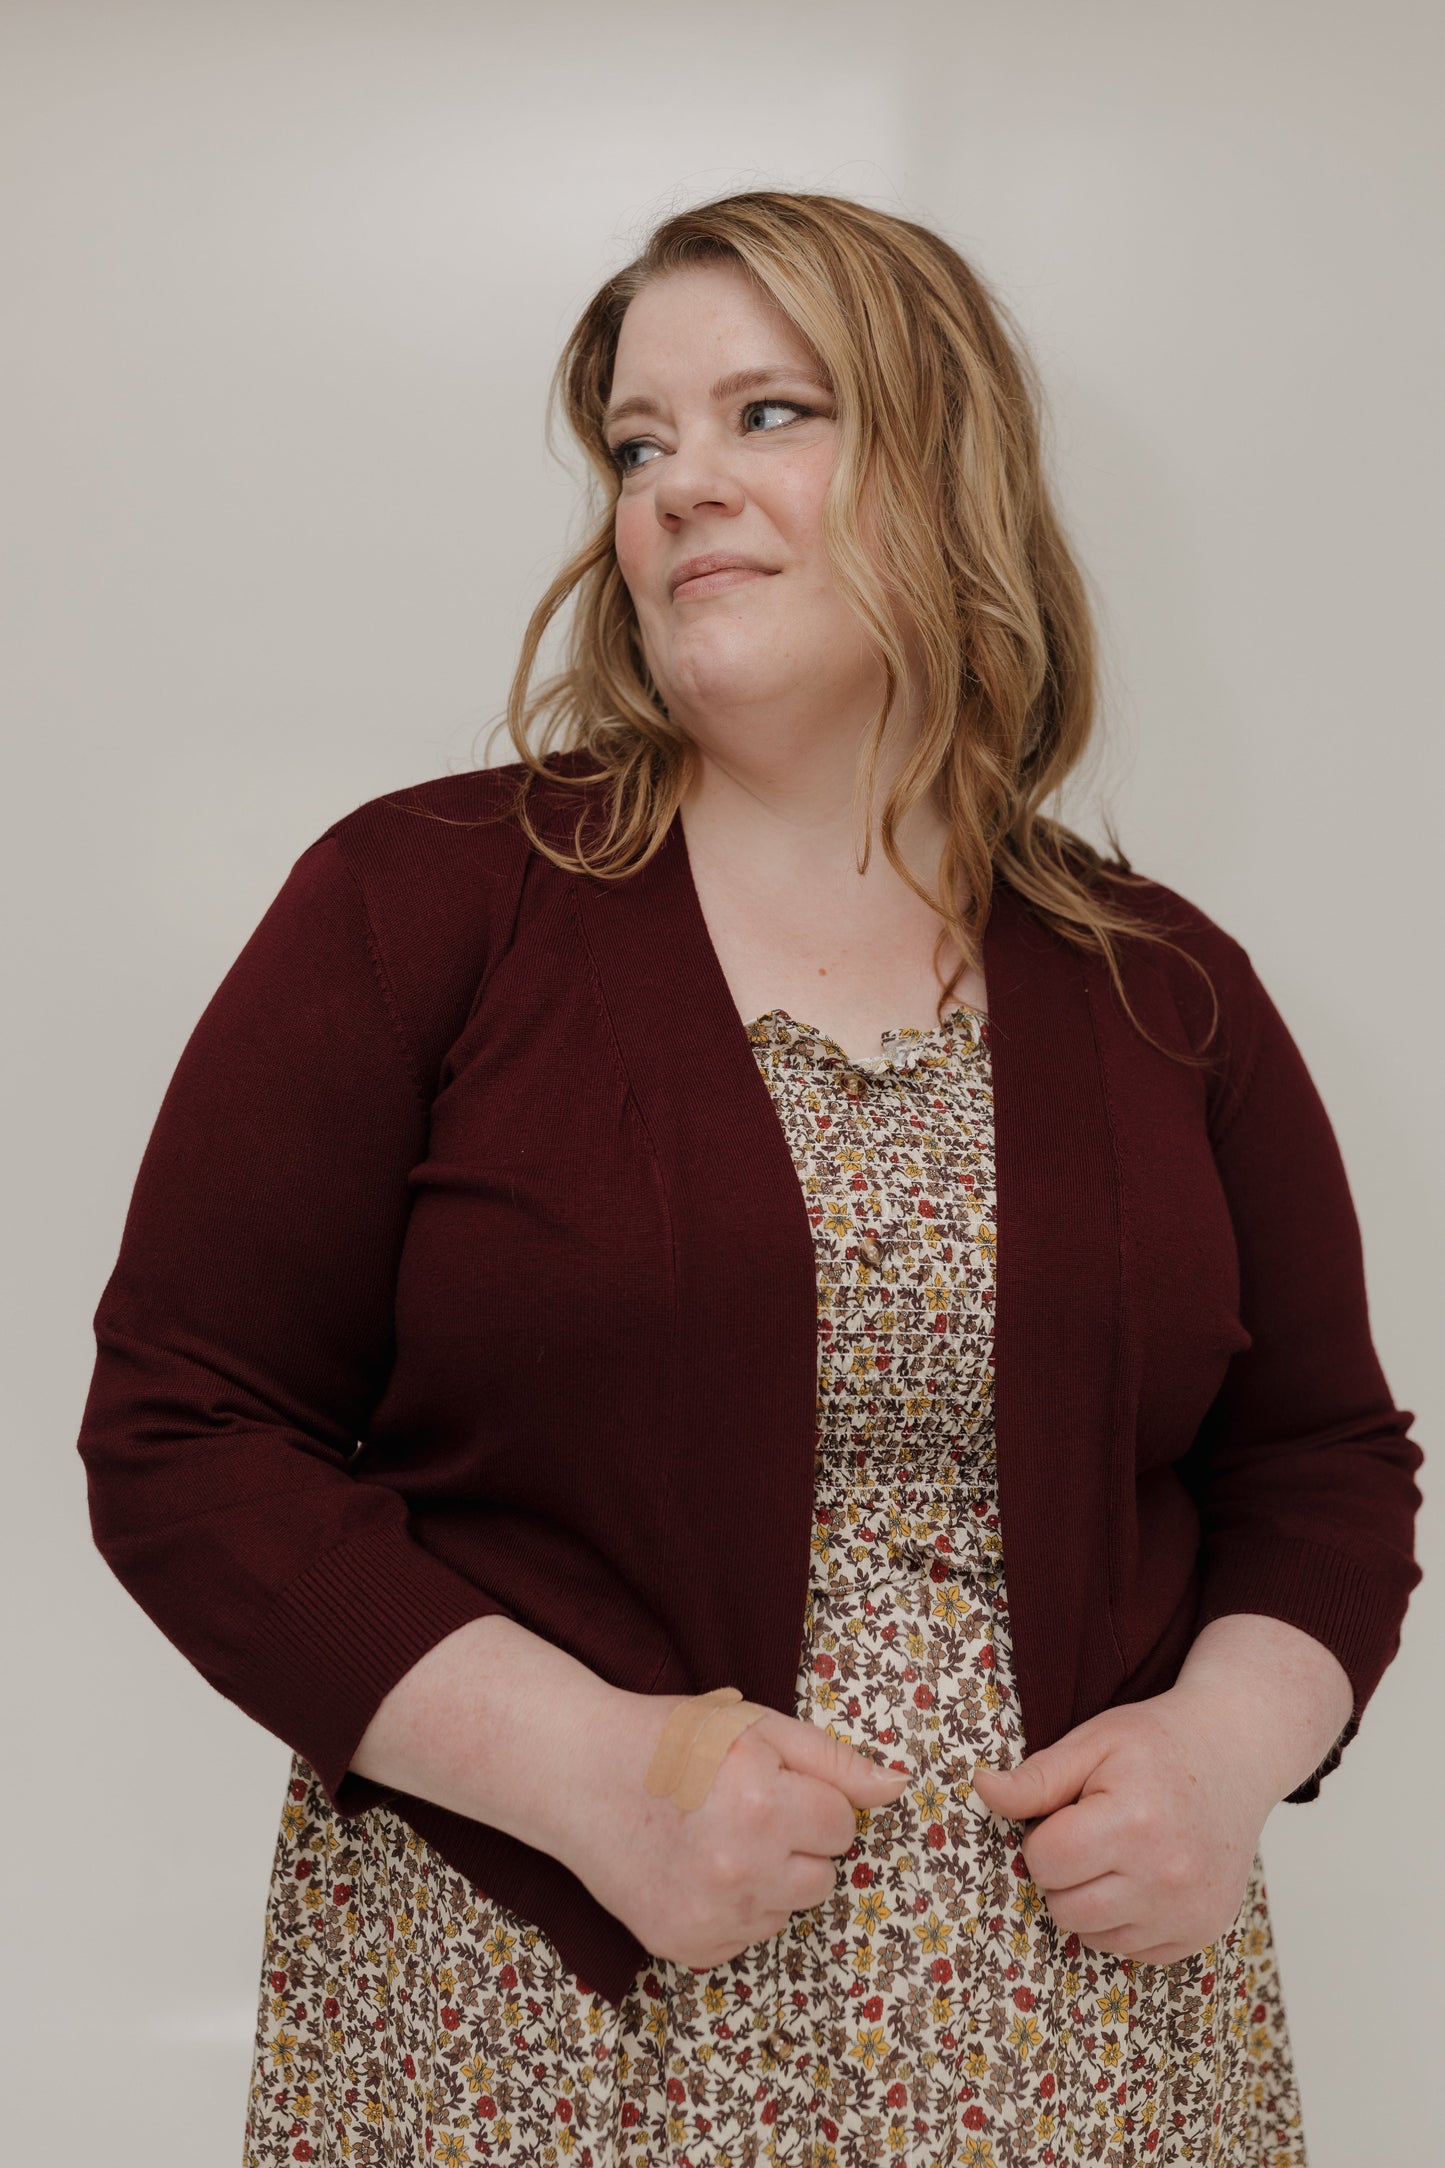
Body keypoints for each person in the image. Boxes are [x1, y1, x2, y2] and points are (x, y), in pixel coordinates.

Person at [77, 190, 1422, 2168]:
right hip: (530, 2046)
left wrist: (1224, 1759)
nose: (681, 484)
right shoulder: (419, 906)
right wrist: (596, 1773)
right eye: (639, 443)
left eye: (769, 413)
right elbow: (187, 1431)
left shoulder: (1168, 989)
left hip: (1080, 2069)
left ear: (949, 464)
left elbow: (1319, 1460)